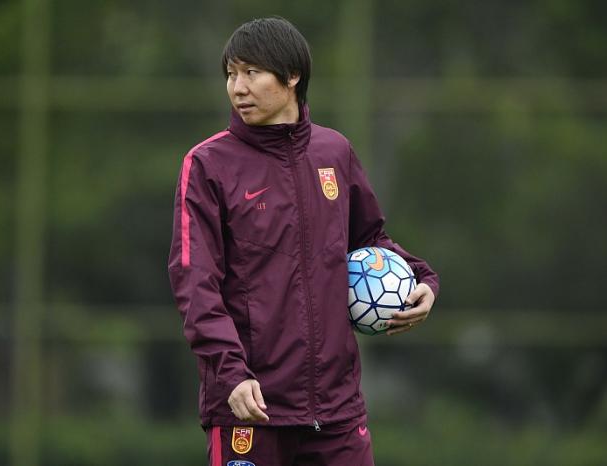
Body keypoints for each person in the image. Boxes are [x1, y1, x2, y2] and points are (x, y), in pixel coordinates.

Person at [168, 16, 439, 466]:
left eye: (252, 72)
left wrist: (422, 279)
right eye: (231, 74)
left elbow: (369, 238)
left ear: (292, 75)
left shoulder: (334, 152)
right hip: (249, 407)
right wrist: (231, 373)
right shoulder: (208, 165)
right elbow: (194, 281)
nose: (238, 88)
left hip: (337, 412)